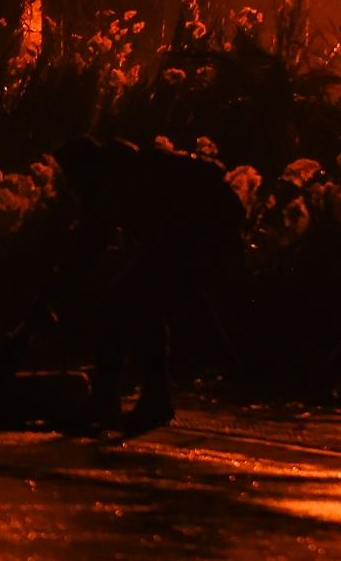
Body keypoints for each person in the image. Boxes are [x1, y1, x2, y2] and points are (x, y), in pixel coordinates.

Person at [51, 136, 246, 433]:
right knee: (138, 308)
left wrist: (54, 293)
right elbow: (86, 249)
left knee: (125, 305)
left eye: (70, 174)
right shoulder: (110, 178)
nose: (70, 185)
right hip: (188, 243)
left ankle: (118, 402)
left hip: (204, 242)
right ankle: (145, 401)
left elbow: (87, 248)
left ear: (84, 167)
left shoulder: (117, 179)